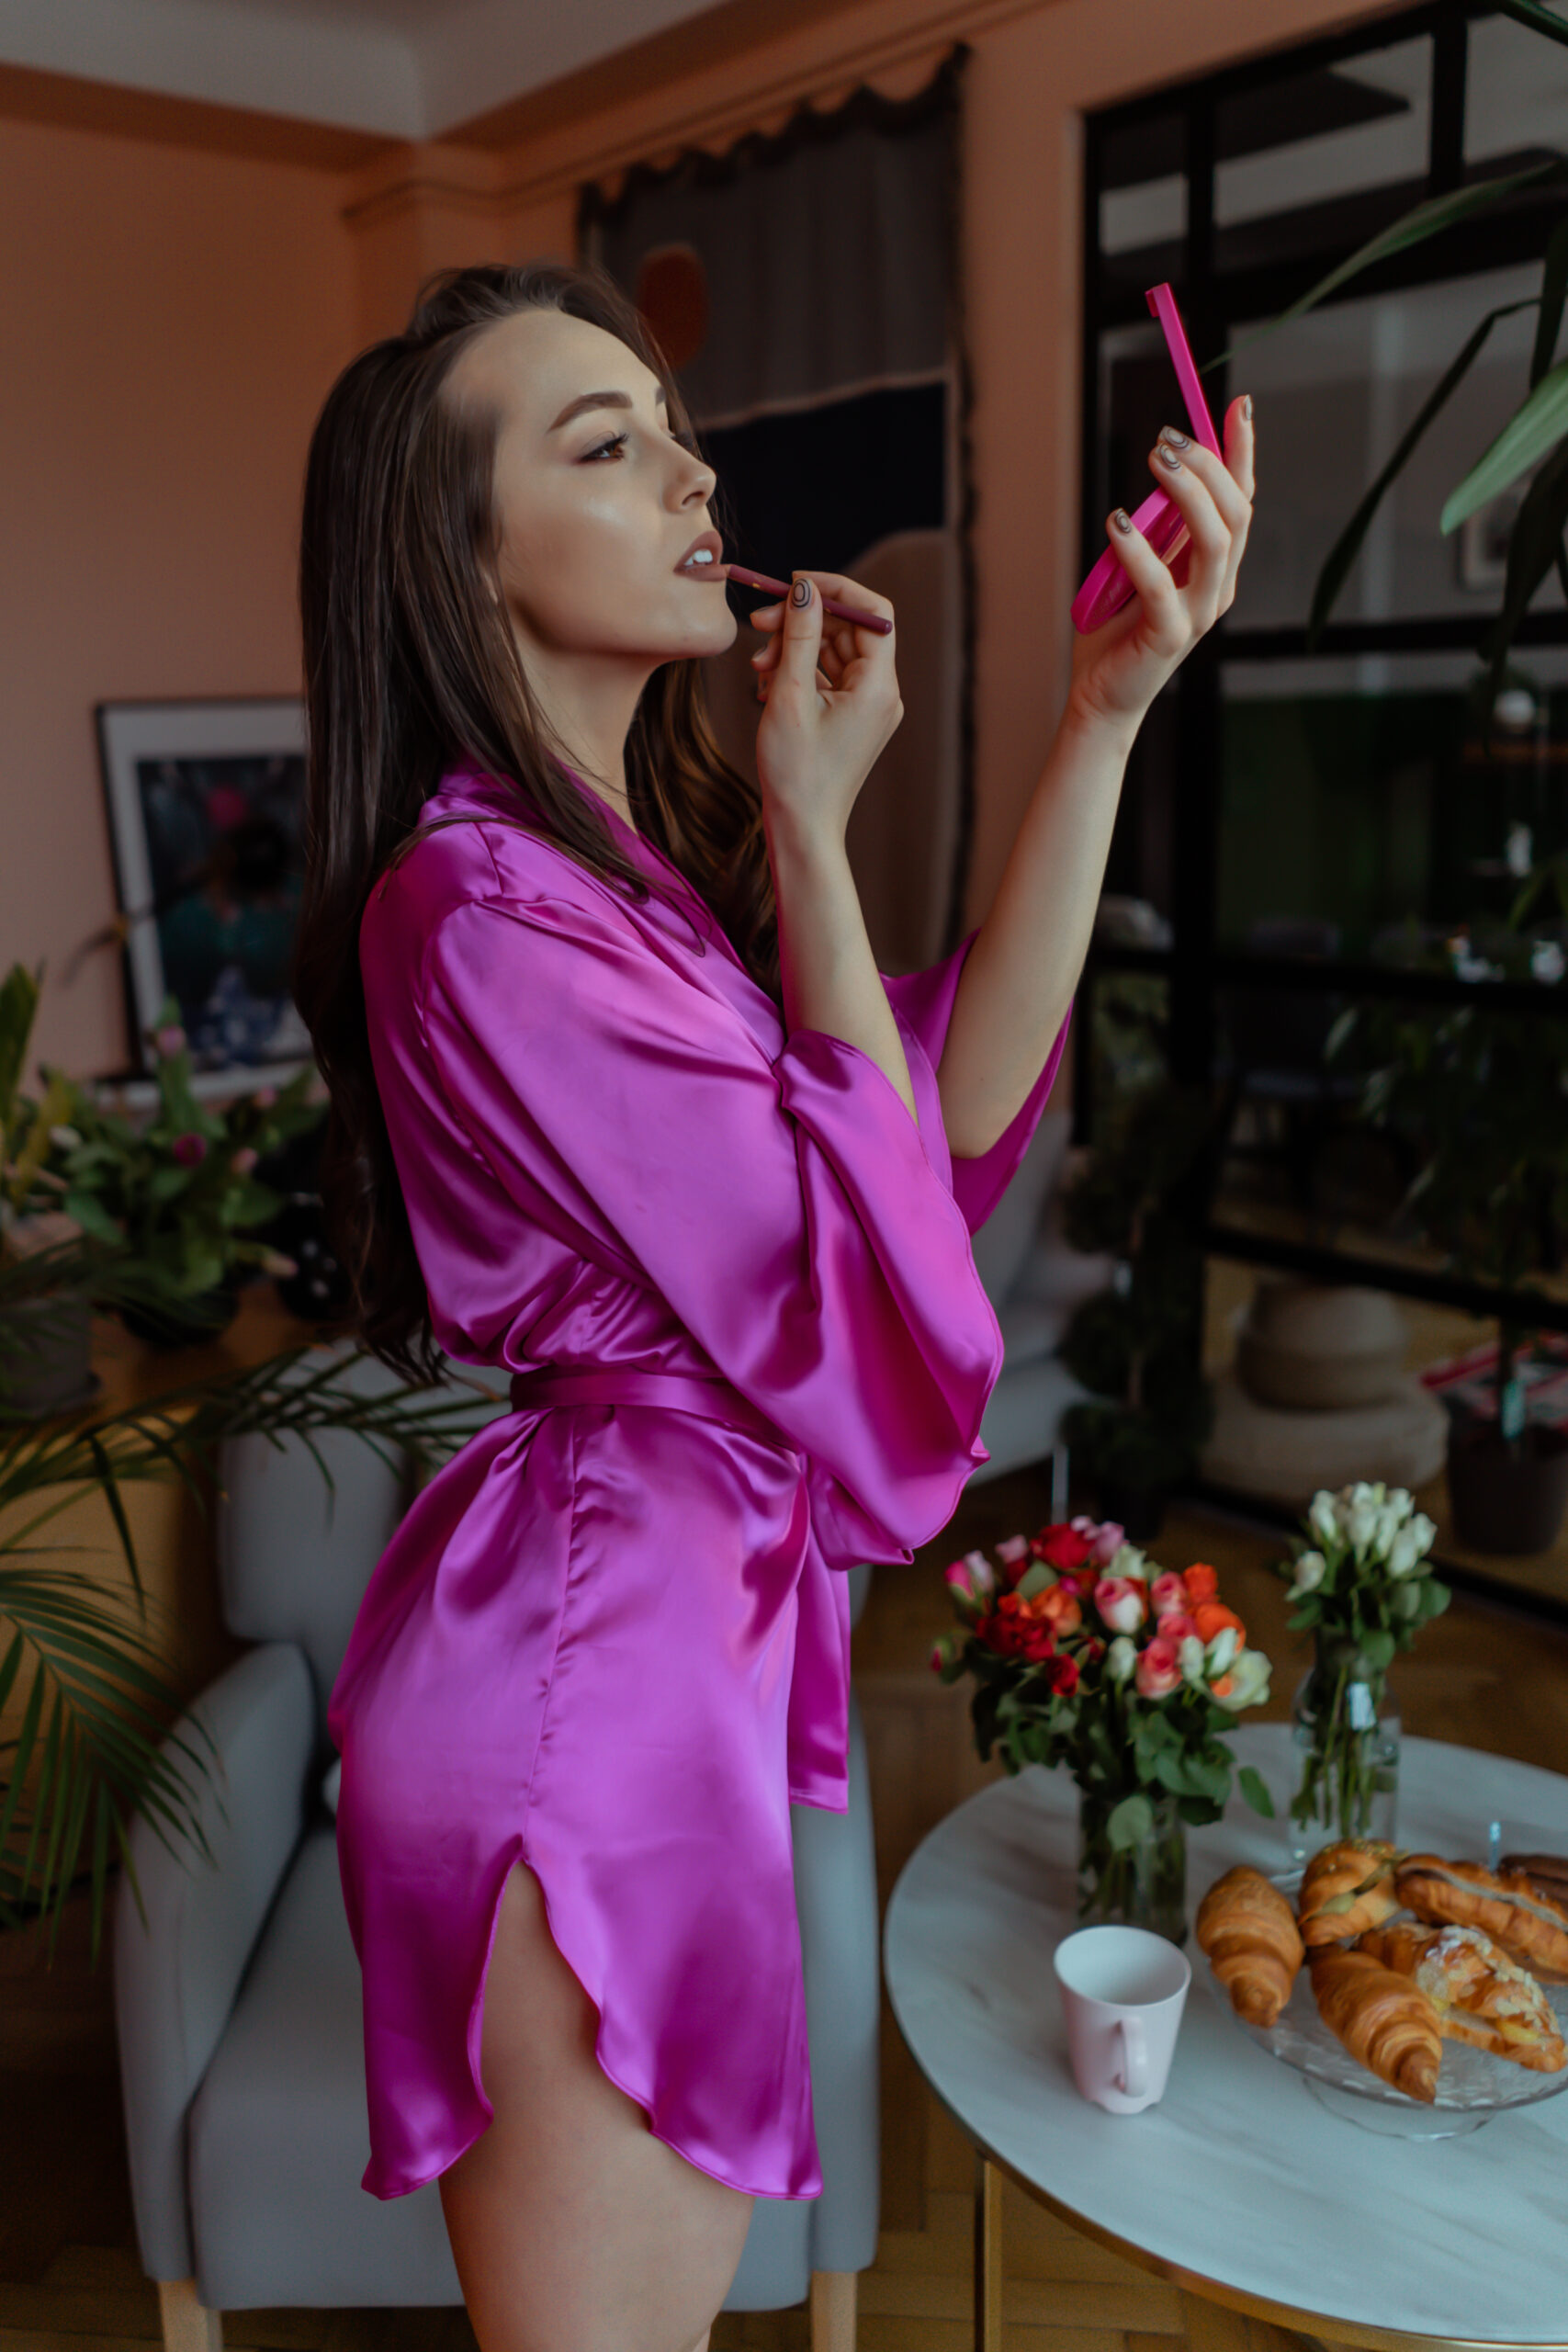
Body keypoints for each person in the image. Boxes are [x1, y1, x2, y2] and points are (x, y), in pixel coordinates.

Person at [290, 261, 1255, 2352]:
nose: (688, 473)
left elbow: (932, 1117)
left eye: (674, 426)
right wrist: (812, 827)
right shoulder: (473, 906)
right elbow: (852, 1253)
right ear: (458, 555)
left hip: (667, 1632)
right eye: (605, 443)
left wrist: (1103, 709)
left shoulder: (619, 884)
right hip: (586, 1670)